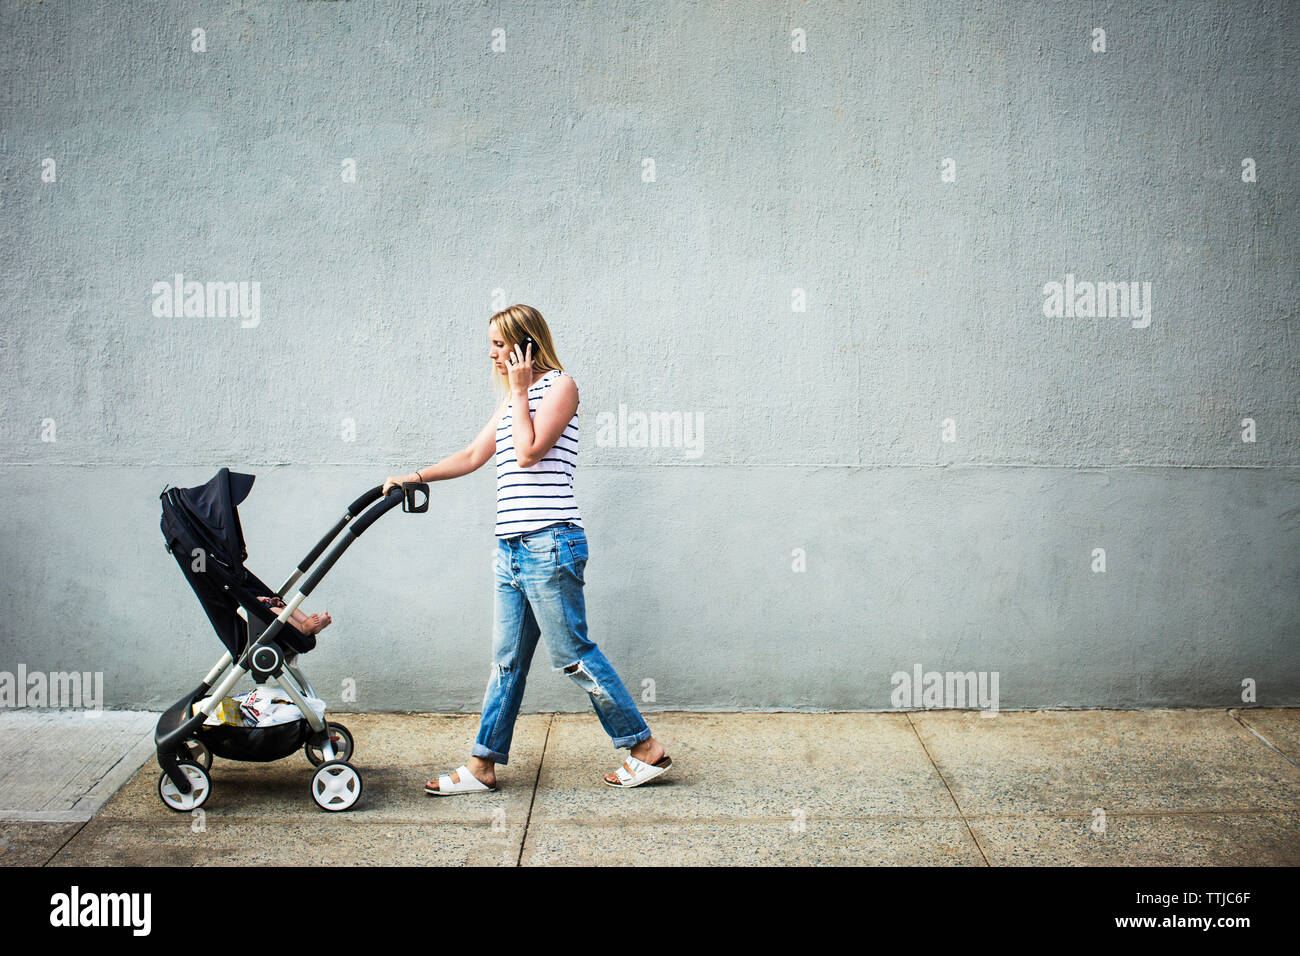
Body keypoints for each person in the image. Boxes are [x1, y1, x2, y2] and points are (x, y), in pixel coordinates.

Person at [383, 304, 672, 793]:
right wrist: (414, 476)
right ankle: (482, 765)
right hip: (511, 548)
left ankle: (645, 749)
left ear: (525, 346)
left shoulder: (560, 385)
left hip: (551, 542)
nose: (491, 354)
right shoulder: (512, 400)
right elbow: (475, 455)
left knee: (573, 654)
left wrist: (519, 392)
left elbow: (529, 451)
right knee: (506, 660)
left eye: (499, 345)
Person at [255, 595, 332, 637]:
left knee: (286, 607)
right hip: (260, 618)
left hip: (262, 608)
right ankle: (303, 628)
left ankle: (315, 627)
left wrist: (264, 599)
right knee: (275, 611)